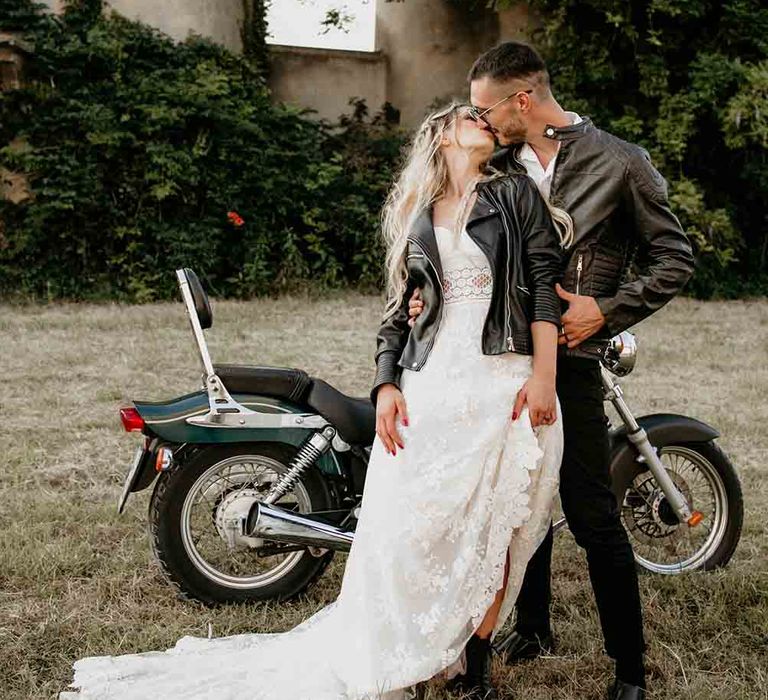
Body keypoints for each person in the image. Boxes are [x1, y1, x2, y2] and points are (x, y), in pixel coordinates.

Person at [60, 101, 571, 700]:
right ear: (440, 137)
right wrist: (385, 385)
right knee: (417, 531)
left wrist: (543, 376)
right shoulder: (420, 219)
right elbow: (396, 317)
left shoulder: (513, 196)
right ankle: (420, 647)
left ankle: (472, 669)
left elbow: (542, 290)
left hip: (500, 379)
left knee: (492, 527)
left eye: (488, 117)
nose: (484, 119)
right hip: (431, 383)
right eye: (470, 115)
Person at [406, 42, 696, 700]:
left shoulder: (621, 162)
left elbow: (674, 257)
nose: (475, 119)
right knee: (506, 505)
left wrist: (608, 308)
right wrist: (428, 290)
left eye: (484, 107)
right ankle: (530, 627)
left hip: (570, 359)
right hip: (493, 360)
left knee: (592, 512)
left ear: (523, 101)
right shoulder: (495, 160)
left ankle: (629, 671)